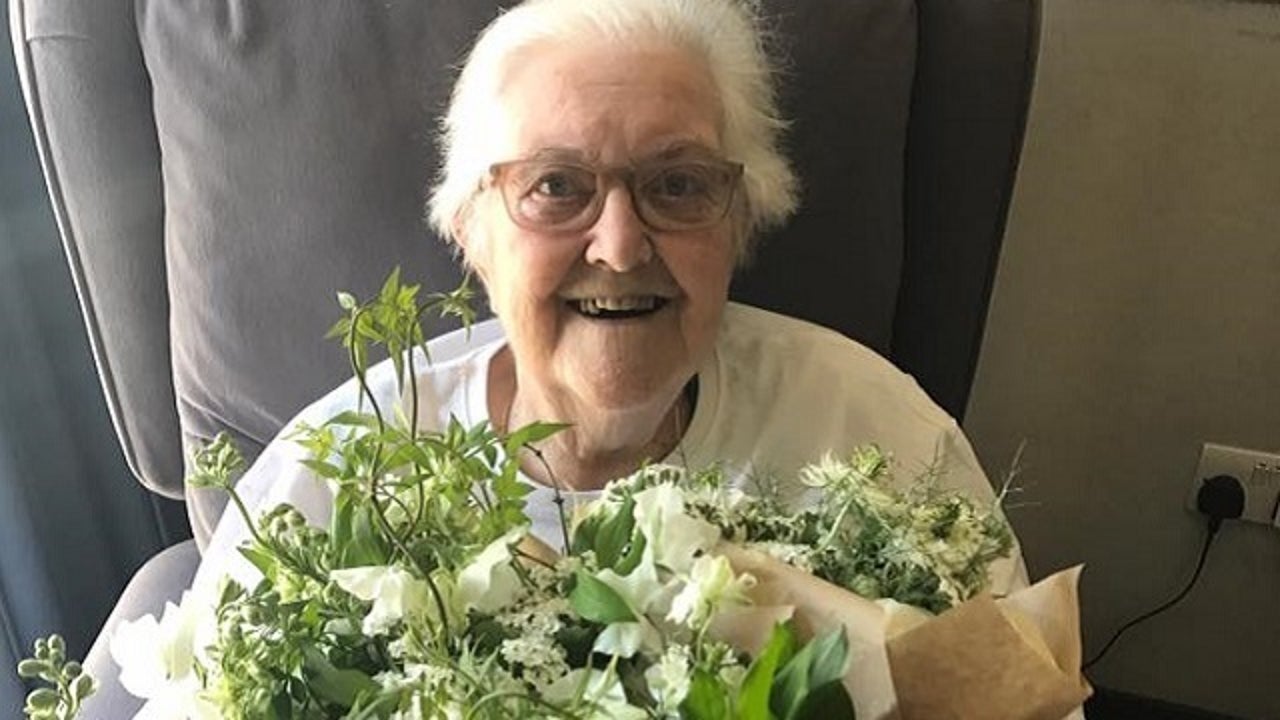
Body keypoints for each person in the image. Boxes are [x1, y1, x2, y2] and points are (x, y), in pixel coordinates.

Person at [195, 0, 1027, 594]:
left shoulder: (875, 435)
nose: (621, 245)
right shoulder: (330, 481)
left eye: (679, 183)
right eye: (556, 185)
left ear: (742, 220)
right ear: (470, 230)